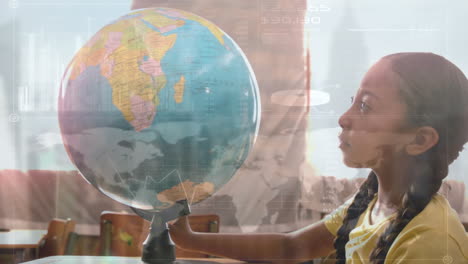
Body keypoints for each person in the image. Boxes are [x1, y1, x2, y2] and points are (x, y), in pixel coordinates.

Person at [168, 53, 468, 264]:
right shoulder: (370, 203)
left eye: (365, 106)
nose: (343, 119)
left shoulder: (430, 242)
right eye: (353, 102)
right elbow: (291, 247)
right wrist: (189, 239)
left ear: (419, 140)